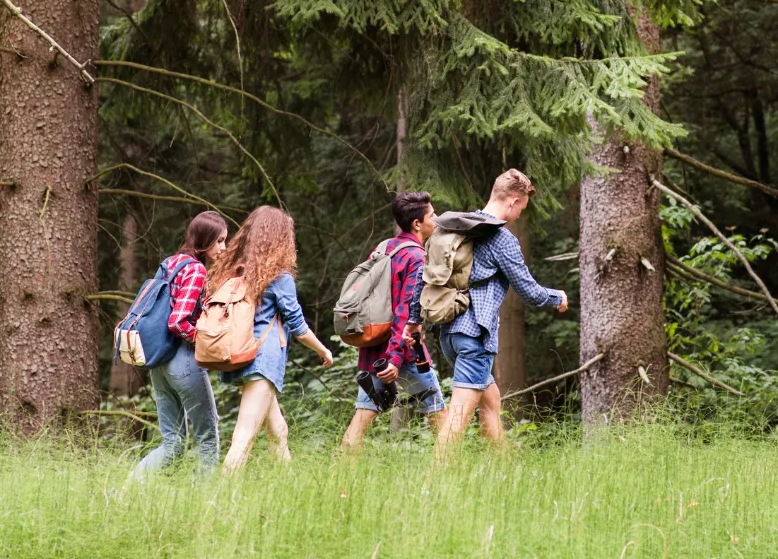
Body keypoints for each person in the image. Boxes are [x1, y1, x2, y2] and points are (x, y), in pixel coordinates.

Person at [434, 169, 569, 455]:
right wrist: (557, 297)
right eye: (522, 208)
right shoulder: (501, 239)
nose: (520, 215)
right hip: (475, 336)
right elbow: (529, 291)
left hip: (449, 332)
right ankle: (431, 487)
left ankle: (502, 471)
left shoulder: (460, 227)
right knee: (458, 416)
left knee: (490, 401)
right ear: (512, 202)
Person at [216, 206, 334, 470]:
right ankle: (218, 503)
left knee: (278, 430)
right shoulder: (279, 277)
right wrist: (323, 350)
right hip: (263, 361)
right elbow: (299, 327)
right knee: (243, 438)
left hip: (240, 356)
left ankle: (289, 488)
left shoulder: (239, 272)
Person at [341, 191, 446, 449]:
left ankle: (340, 481)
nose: (437, 219)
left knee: (362, 418)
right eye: (432, 215)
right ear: (417, 224)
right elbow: (405, 313)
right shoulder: (416, 257)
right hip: (403, 354)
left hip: (373, 348)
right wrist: (394, 359)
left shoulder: (384, 248)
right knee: (439, 416)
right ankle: (449, 475)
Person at [134, 210, 228, 475]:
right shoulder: (197, 270)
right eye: (219, 241)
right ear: (204, 238)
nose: (223, 247)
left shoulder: (170, 263)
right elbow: (177, 322)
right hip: (182, 360)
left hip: (159, 361)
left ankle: (128, 488)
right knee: (208, 438)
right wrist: (204, 342)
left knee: (173, 443)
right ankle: (204, 502)